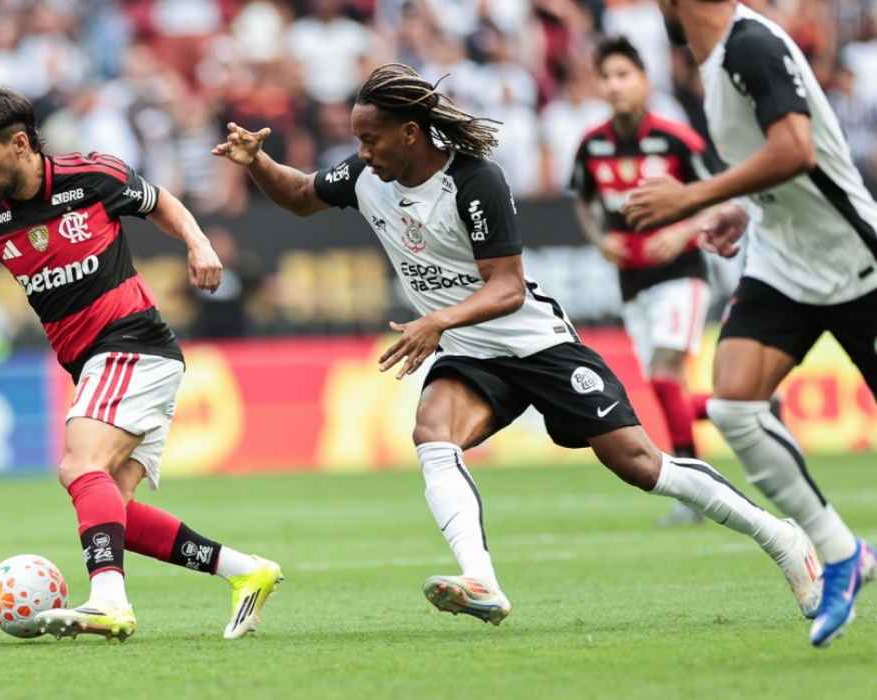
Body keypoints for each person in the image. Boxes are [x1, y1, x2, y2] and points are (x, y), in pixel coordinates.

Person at [213, 62, 818, 628]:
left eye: (372, 139)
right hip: (471, 352)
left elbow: (505, 288)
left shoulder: (475, 183)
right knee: (433, 434)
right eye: (359, 141)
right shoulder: (368, 175)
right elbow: (299, 196)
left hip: (536, 344)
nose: (362, 153)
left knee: (639, 464)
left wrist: (436, 321)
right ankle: (482, 581)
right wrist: (256, 162)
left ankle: (780, 537)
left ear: (412, 133)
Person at [0, 88, 283, 642]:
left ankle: (109, 601)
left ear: (19, 144)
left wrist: (199, 245)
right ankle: (245, 570)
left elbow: (160, 202)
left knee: (76, 466)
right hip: (105, 365)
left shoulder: (92, 176)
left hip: (132, 343)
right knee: (114, 510)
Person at [627, 0, 877, 647]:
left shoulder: (750, 48)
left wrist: (693, 196)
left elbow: (796, 150)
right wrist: (743, 207)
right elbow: (779, 160)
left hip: (853, 261)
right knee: (736, 405)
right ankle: (841, 552)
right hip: (783, 264)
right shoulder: (712, 62)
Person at [570, 36, 712, 527]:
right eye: (606, 77)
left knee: (666, 373)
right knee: (665, 385)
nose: (614, 86)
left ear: (644, 81)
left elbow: (718, 196)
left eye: (623, 75)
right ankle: (743, 406)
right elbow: (582, 203)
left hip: (681, 274)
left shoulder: (677, 139)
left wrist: (685, 231)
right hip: (632, 281)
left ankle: (694, 493)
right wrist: (598, 239)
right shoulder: (592, 145)